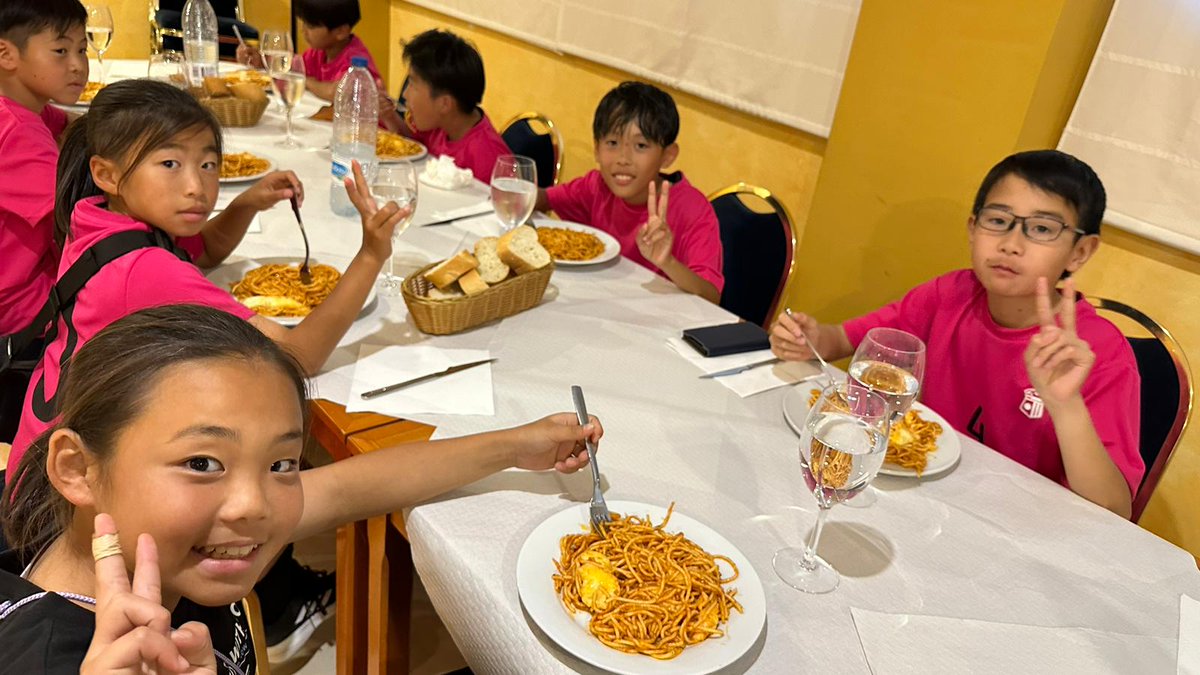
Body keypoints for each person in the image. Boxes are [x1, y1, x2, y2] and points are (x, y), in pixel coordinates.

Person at [0, 303, 601, 673]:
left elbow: (348, 487)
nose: (256, 506)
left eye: (282, 463)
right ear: (77, 469)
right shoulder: (51, 657)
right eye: (204, 463)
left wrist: (516, 447)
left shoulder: (139, 525)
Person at [769, 150, 1142, 518]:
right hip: (924, 503)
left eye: (1042, 229)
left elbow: (1113, 509)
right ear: (972, 228)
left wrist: (1065, 405)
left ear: (1080, 252)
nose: (1011, 243)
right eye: (998, 220)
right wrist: (810, 339)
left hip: (1020, 527)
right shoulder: (949, 295)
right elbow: (845, 340)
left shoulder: (1099, 353)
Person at [534, 82, 723, 303]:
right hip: (600, 304)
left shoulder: (692, 209)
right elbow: (546, 198)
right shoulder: (597, 186)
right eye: (612, 143)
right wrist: (517, 193)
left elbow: (711, 298)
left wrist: (667, 262)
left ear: (668, 156)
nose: (623, 159)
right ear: (596, 149)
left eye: (641, 146)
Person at [0, 0, 87, 442]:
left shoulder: (23, 107)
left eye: (82, 49)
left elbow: (76, 125)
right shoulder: (16, 134)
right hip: (22, 332)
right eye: (60, 51)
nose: (78, 66)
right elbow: (84, 219)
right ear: (7, 55)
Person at [379, 29, 511, 183]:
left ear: (444, 104)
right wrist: (390, 117)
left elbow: (508, 203)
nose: (405, 94)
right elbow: (414, 149)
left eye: (413, 84)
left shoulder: (487, 157)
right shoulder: (441, 125)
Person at [236, 0, 381, 102]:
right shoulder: (319, 52)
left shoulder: (356, 58)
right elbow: (291, 66)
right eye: (303, 23)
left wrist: (306, 81)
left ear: (341, 31)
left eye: (310, 26)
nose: (303, 30)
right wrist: (261, 59)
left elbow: (339, 92)